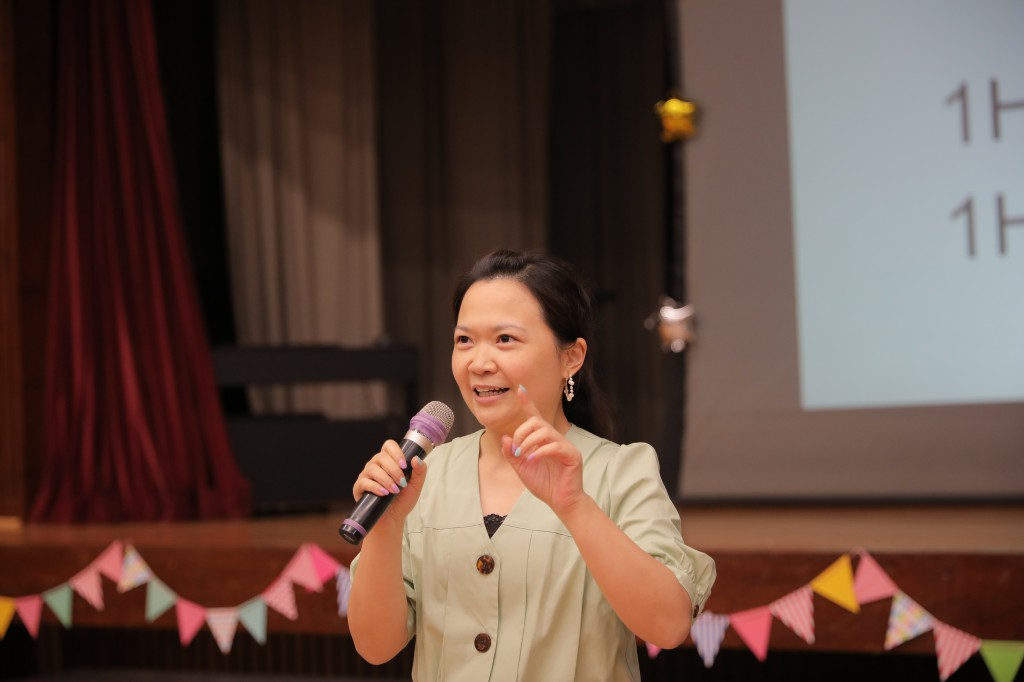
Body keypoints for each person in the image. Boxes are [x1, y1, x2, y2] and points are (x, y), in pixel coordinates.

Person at [346, 249, 716, 681]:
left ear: (571, 357)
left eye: (505, 339)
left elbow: (668, 626)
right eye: (464, 340)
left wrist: (575, 506)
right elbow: (375, 646)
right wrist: (386, 527)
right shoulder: (426, 475)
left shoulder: (620, 471)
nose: (479, 362)